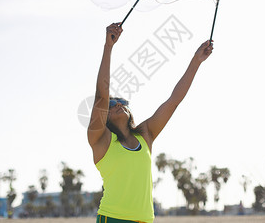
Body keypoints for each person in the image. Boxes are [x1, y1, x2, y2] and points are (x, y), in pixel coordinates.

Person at [88, 22, 213, 223]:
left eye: (122, 102)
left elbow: (174, 101)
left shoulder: (145, 135)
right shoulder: (101, 140)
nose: (118, 104)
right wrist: (108, 47)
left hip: (145, 219)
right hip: (113, 218)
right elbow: (101, 96)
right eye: (112, 104)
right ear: (104, 116)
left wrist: (196, 62)